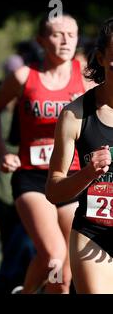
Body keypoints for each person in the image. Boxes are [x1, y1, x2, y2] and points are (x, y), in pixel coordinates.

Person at [0, 13, 95, 294]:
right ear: (41, 40)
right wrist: (2, 152)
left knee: (63, 275)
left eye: (71, 34)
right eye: (57, 34)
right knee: (55, 256)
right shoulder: (24, 76)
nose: (65, 41)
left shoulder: (84, 75)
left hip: (71, 178)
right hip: (32, 177)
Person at [46, 17, 113, 293]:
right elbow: (53, 191)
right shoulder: (75, 115)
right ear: (101, 57)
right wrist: (88, 173)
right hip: (92, 234)